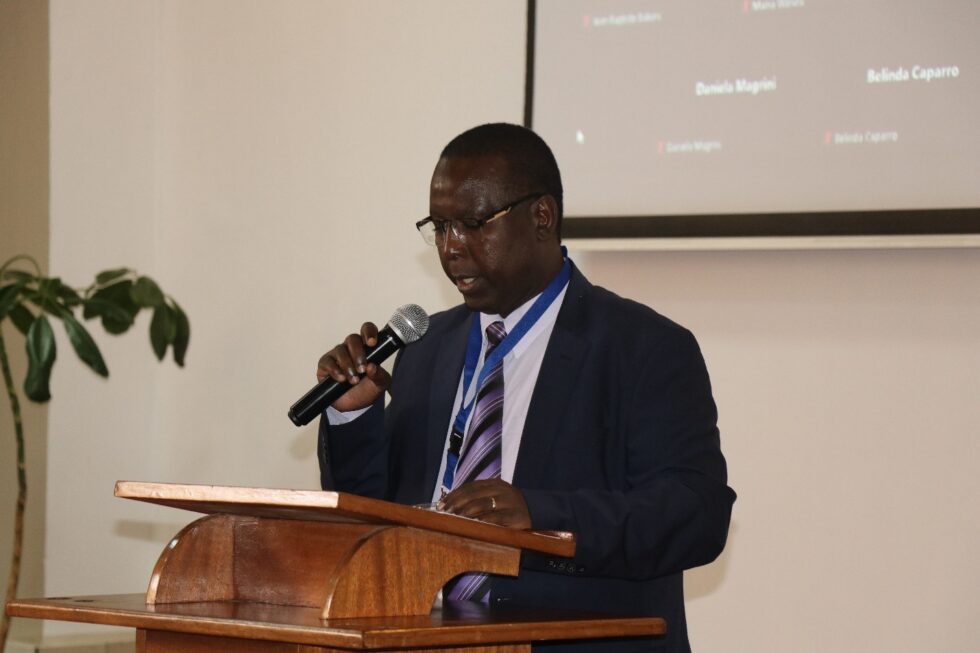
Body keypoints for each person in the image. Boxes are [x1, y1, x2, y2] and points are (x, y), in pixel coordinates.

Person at [316, 123, 735, 653]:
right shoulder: (426, 348)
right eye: (439, 227)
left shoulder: (643, 348)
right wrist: (353, 416)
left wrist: (539, 516)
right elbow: (372, 519)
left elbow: (694, 516)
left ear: (541, 217)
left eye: (471, 225)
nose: (450, 248)